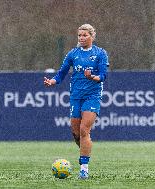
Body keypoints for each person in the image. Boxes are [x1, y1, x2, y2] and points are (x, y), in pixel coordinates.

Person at [44, 24, 109, 179]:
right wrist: (52, 81)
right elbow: (62, 73)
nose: (81, 38)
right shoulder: (73, 54)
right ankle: (85, 151)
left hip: (92, 96)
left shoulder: (100, 53)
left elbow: (103, 75)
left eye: (84, 35)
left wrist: (92, 77)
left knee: (84, 130)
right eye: (79, 35)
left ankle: (84, 168)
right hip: (76, 96)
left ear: (92, 36)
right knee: (75, 133)